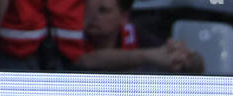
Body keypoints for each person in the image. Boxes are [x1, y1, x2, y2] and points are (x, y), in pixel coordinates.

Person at [71, 0, 203, 73]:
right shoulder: (72, 35)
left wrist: (187, 58)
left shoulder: (134, 34)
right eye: (87, 9)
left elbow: (197, 65)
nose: (92, 17)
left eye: (103, 11)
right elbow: (85, 60)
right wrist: (147, 56)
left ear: (124, 17)